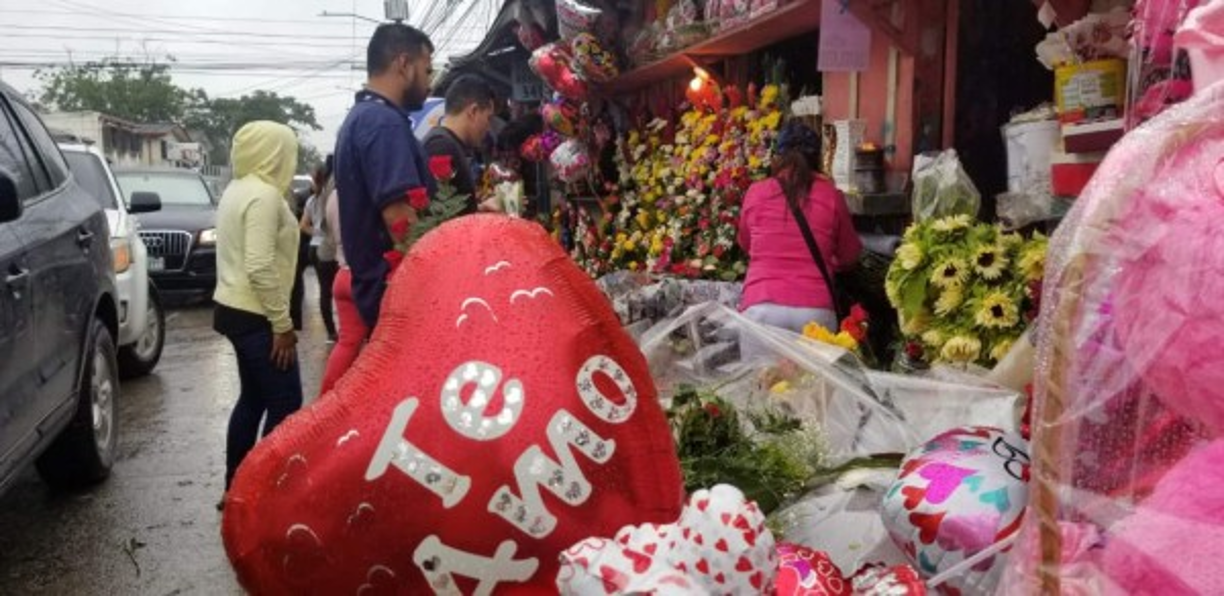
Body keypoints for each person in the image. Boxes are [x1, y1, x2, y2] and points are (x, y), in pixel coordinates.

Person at [212, 121, 303, 507]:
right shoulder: (264, 195)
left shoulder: (236, 189)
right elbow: (260, 265)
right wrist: (282, 325)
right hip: (257, 314)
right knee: (286, 403)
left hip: (232, 307)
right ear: (275, 153)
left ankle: (236, 488)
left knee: (252, 399)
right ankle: (260, 490)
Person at [333, 23, 436, 330]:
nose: (430, 82)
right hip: (399, 300)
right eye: (427, 70)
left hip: (377, 295)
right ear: (403, 64)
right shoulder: (383, 124)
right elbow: (401, 222)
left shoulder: (360, 118)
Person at [737, 121, 862, 355]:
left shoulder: (757, 192)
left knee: (758, 389)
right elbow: (849, 256)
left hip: (761, 308)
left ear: (778, 158)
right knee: (813, 390)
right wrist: (828, 261)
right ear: (817, 158)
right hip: (814, 313)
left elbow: (746, 244)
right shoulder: (832, 196)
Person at [422, 74, 497, 211]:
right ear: (473, 111)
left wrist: (480, 209)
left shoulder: (451, 144)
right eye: (488, 118)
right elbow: (441, 216)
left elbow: (456, 211)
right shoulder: (440, 147)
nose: (488, 127)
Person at [319, 188, 366, 394]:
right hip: (365, 277)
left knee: (347, 343)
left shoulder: (333, 196)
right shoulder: (365, 191)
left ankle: (327, 399)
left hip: (343, 273)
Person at [300, 163, 339, 342]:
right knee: (338, 290)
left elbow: (303, 225)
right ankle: (345, 329)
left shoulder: (311, 199)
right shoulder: (331, 196)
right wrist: (325, 233)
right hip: (328, 248)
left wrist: (316, 232)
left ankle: (330, 332)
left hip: (313, 249)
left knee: (325, 291)